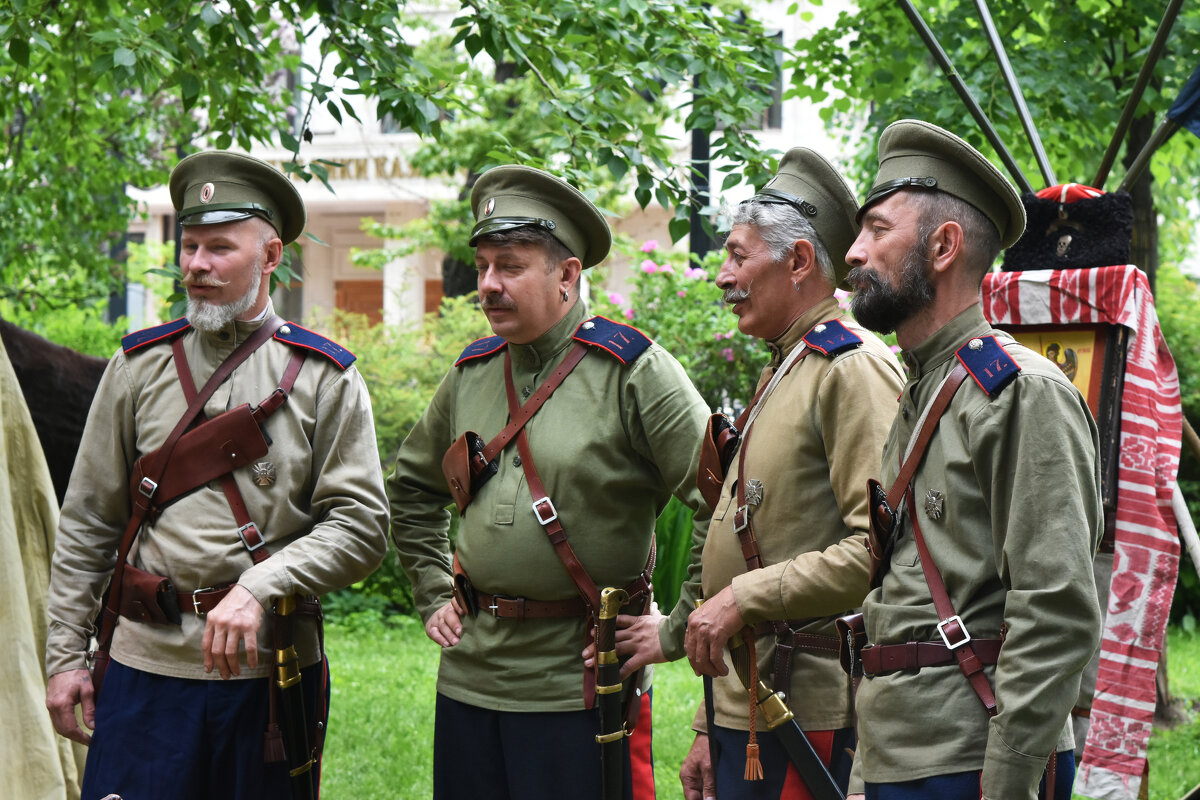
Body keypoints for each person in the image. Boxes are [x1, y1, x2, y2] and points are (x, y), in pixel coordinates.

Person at [44, 150, 389, 800]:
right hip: (143, 669)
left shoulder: (323, 378)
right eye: (190, 246)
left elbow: (363, 527)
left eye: (219, 248)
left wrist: (262, 586)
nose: (196, 265)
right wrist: (65, 657)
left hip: (269, 678)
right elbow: (88, 522)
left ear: (270, 255)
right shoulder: (138, 367)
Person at [387, 164, 712, 800]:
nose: (488, 285)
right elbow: (412, 489)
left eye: (509, 266)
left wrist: (677, 624)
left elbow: (721, 499)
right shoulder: (471, 373)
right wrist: (430, 589)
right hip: (469, 683)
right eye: (482, 266)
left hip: (581, 690)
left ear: (567, 275)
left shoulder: (633, 371)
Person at [843, 120, 1102, 800]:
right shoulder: (924, 385)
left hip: (971, 762)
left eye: (875, 230)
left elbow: (1056, 610)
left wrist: (1009, 781)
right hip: (904, 751)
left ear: (943, 245)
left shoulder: (1020, 394)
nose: (852, 251)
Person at [680, 148, 905, 800]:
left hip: (805, 710)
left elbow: (878, 550)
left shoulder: (849, 368)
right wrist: (707, 721)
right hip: (747, 700)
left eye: (738, 257)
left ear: (800, 262)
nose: (721, 276)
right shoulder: (787, 364)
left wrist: (745, 599)